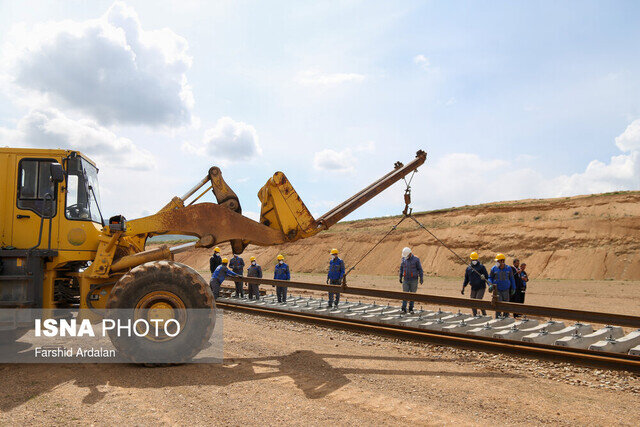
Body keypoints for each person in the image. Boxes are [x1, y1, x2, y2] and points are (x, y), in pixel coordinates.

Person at [461, 251, 489, 316]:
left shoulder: (481, 267)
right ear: (471, 259)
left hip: (481, 287)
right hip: (473, 288)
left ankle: (484, 314)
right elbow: (466, 279)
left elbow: (487, 277)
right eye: (473, 259)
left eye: (475, 259)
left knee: (478, 301)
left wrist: (484, 277)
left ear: (477, 259)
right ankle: (475, 315)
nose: (474, 261)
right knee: (472, 302)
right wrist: (463, 287)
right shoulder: (469, 268)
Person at [488, 253, 515, 318]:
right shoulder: (494, 268)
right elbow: (490, 278)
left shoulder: (508, 268)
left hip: (506, 290)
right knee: (498, 304)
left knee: (506, 305)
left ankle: (506, 317)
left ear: (502, 261)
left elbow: (511, 278)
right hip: (497, 290)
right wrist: (490, 285)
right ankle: (498, 317)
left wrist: (513, 288)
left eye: (498, 261)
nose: (497, 262)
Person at [399, 247, 423, 314]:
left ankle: (411, 308)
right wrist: (400, 276)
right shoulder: (403, 259)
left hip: (414, 280)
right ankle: (403, 308)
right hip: (406, 280)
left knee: (412, 295)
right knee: (405, 295)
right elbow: (401, 268)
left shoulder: (416, 260)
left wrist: (421, 278)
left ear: (410, 254)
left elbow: (420, 269)